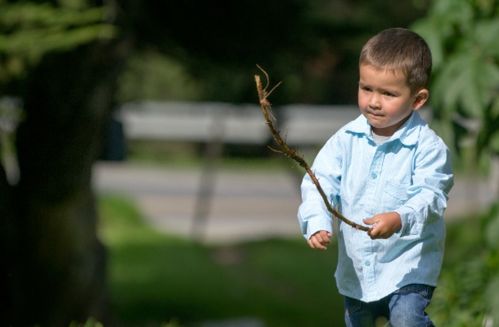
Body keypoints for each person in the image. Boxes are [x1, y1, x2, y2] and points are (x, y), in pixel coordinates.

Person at [297, 27, 454, 326]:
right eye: (366, 88)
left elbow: (431, 195)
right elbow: (320, 181)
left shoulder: (428, 147)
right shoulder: (346, 139)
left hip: (408, 266)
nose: (374, 101)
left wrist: (399, 217)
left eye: (388, 93)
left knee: (407, 319)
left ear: (418, 99)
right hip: (358, 269)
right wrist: (317, 221)